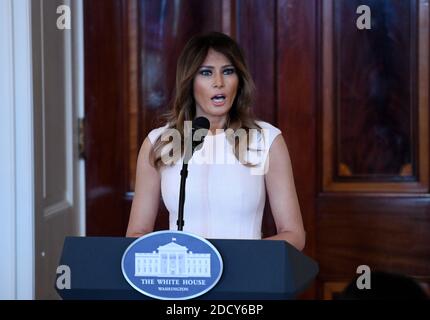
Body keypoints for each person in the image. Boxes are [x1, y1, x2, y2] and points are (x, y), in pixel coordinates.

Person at [126, 31, 306, 251]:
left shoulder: (266, 140)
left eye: (228, 72)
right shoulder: (159, 143)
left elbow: (294, 234)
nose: (218, 82)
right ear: (190, 81)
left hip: (246, 276)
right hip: (182, 281)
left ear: (239, 81)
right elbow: (137, 234)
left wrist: (231, 259)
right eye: (206, 72)